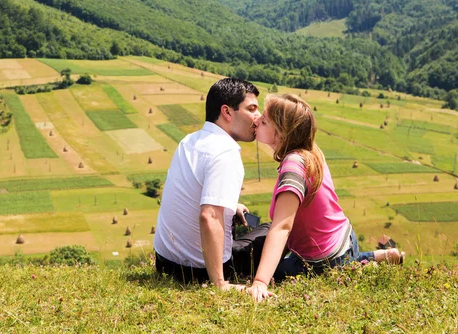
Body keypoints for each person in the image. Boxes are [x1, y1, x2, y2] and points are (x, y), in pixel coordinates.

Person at [246, 94, 405, 302]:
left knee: (264, 272)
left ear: (283, 134)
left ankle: (363, 266)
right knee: (340, 262)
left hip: (324, 259)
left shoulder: (293, 166)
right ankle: (376, 257)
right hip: (345, 238)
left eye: (264, 121)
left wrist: (260, 281)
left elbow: (283, 227)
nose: (256, 120)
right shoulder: (311, 152)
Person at [154, 77, 269, 292]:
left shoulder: (189, 140)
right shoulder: (226, 153)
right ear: (227, 112)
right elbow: (209, 216)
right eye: (252, 109)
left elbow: (190, 192)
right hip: (198, 271)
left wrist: (230, 206)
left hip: (165, 263)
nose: (258, 117)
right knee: (277, 229)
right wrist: (219, 283)